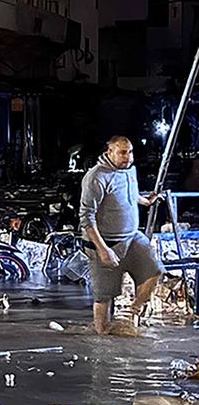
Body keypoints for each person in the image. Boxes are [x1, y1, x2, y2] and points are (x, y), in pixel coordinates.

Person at [79, 136, 164, 334]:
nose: (128, 157)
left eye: (130, 152)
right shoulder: (96, 177)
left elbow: (130, 194)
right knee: (104, 295)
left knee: (155, 270)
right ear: (109, 152)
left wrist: (146, 201)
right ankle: (101, 333)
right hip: (104, 241)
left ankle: (131, 311)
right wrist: (103, 250)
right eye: (122, 152)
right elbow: (86, 216)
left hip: (131, 237)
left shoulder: (129, 170)